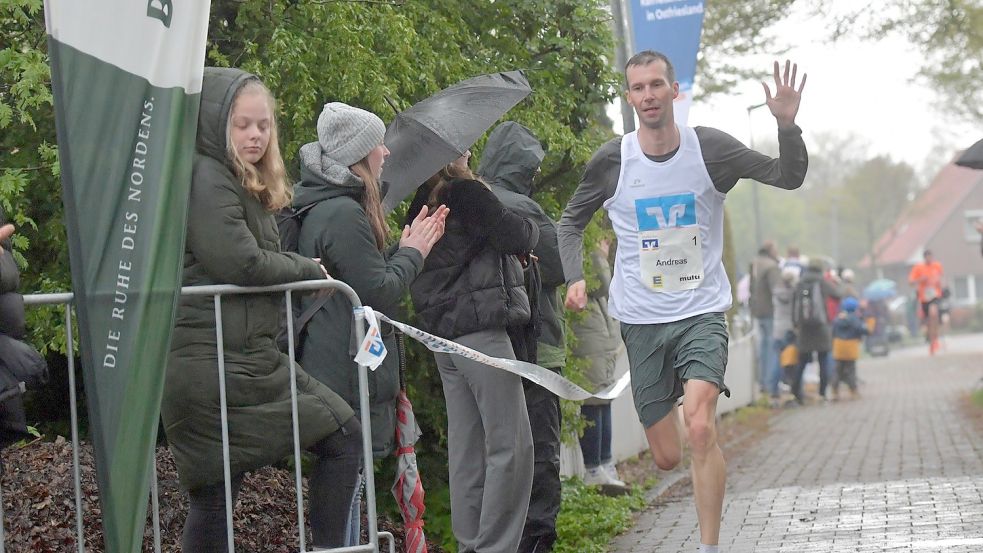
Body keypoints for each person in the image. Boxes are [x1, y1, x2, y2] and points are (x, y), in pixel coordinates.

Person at [557, 51, 808, 553]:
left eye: (656, 85)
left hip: (701, 312)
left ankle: (709, 545)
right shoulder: (613, 160)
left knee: (699, 427)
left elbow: (788, 175)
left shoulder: (709, 148)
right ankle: (672, 402)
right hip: (643, 322)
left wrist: (786, 127)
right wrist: (574, 278)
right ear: (629, 98)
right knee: (668, 457)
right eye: (638, 88)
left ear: (675, 91)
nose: (648, 95)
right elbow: (569, 222)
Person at [162, 68, 361, 551]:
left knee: (216, 493)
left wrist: (297, 274)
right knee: (341, 438)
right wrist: (305, 269)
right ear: (216, 125)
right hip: (214, 365)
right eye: (243, 125)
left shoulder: (230, 176)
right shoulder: (205, 175)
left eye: (264, 125)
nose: (255, 135)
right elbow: (240, 262)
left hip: (237, 359)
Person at [292, 102, 446, 539]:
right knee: (345, 483)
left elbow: (367, 278)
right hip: (341, 370)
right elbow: (379, 292)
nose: (386, 151)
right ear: (359, 154)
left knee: (347, 480)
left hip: (331, 362)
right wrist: (414, 251)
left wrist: (402, 249)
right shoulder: (341, 213)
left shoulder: (325, 203)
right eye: (378, 143)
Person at [407, 155, 537, 553]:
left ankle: (470, 545)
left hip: (446, 341)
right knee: (511, 447)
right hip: (481, 334)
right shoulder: (467, 192)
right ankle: (495, 547)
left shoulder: (422, 200)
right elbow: (522, 235)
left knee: (468, 449)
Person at [476, 121, 565, 553]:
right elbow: (561, 266)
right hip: (538, 349)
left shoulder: (468, 201)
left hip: (487, 350)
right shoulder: (523, 208)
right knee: (541, 457)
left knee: (496, 456)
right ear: (525, 168)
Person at [571, 239, 628, 489]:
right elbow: (604, 283)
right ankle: (593, 467)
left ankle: (605, 462)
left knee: (604, 397)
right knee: (593, 399)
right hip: (587, 332)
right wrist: (600, 254)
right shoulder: (582, 243)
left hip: (599, 330)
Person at [790, 258, 841, 404]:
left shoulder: (799, 283)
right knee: (823, 359)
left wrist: (795, 323)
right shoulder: (822, 282)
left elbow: (794, 304)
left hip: (804, 328)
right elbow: (838, 293)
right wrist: (837, 282)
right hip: (821, 326)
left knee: (802, 361)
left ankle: (796, 393)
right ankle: (822, 393)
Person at [749, 240, 781, 395]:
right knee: (771, 347)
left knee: (762, 347)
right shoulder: (771, 266)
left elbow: (751, 287)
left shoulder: (754, 263)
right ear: (771, 251)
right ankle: (769, 382)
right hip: (770, 311)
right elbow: (777, 290)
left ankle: (762, 381)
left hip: (756, 310)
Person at [770, 266, 799, 407]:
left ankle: (774, 390)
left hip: (777, 329)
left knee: (776, 360)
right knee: (789, 362)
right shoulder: (794, 293)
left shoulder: (776, 291)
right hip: (789, 330)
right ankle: (789, 390)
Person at [908, 249, 944, 353]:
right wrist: (921, 279)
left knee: (934, 314)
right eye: (927, 257)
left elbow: (941, 278)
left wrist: (941, 285)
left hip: (935, 295)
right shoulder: (918, 268)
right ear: (924, 258)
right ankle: (931, 340)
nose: (930, 260)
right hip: (924, 298)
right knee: (928, 322)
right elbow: (910, 282)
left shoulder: (937, 266)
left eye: (931, 257)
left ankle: (935, 339)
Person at [831, 296, 867, 400]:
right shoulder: (854, 318)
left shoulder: (838, 318)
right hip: (850, 347)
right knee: (851, 370)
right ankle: (853, 391)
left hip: (839, 346)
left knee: (837, 370)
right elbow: (860, 329)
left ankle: (834, 392)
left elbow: (833, 331)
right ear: (855, 308)